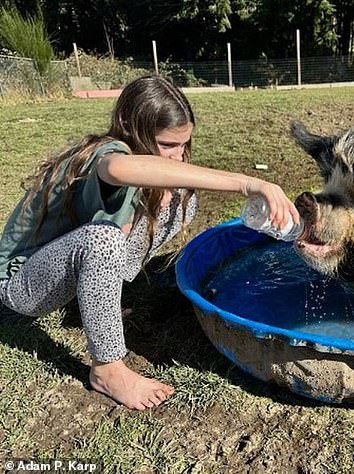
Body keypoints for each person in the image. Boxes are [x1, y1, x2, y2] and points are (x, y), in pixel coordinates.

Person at [0, 75, 300, 410]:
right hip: (19, 288)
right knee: (103, 239)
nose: (178, 156)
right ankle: (108, 369)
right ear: (130, 127)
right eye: (168, 145)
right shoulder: (105, 154)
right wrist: (247, 183)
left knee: (181, 201)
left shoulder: (149, 164)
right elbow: (116, 169)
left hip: (61, 271)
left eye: (184, 145)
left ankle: (104, 303)